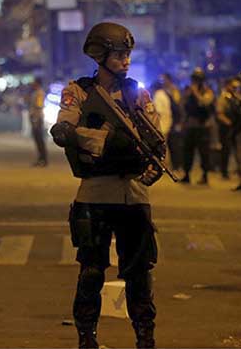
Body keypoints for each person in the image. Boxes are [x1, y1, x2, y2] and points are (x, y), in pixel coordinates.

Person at [50, 22, 164, 349]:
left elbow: (155, 139)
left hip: (134, 193)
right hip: (95, 191)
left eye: (128, 53)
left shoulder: (138, 93)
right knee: (90, 272)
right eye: (119, 53)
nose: (126, 59)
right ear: (100, 54)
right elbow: (62, 131)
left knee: (140, 275)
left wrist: (152, 157)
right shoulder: (79, 91)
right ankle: (87, 340)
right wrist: (102, 141)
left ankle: (146, 340)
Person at [181, 67, 215, 185]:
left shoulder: (207, 91)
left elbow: (205, 103)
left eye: (197, 79)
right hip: (191, 125)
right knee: (187, 151)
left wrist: (195, 93)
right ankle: (187, 174)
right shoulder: (188, 90)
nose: (195, 82)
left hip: (202, 126)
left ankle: (205, 175)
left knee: (204, 152)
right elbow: (183, 104)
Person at [215, 77, 241, 179]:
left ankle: (239, 170)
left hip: (235, 127)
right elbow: (220, 114)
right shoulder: (223, 97)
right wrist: (229, 123)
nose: (234, 88)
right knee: (226, 150)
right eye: (233, 86)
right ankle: (224, 172)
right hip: (226, 128)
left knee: (237, 150)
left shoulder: (236, 97)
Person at [161, 73, 184, 172]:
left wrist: (179, 122)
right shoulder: (164, 91)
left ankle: (177, 165)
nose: (162, 81)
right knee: (170, 144)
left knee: (175, 143)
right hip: (169, 120)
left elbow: (177, 105)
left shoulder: (174, 90)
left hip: (174, 120)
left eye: (164, 79)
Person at [28, 77, 48, 167]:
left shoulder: (39, 93)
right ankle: (41, 158)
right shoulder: (36, 92)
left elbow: (39, 105)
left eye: (34, 83)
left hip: (37, 117)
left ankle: (43, 159)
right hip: (35, 117)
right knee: (37, 139)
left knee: (39, 139)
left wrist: (35, 118)